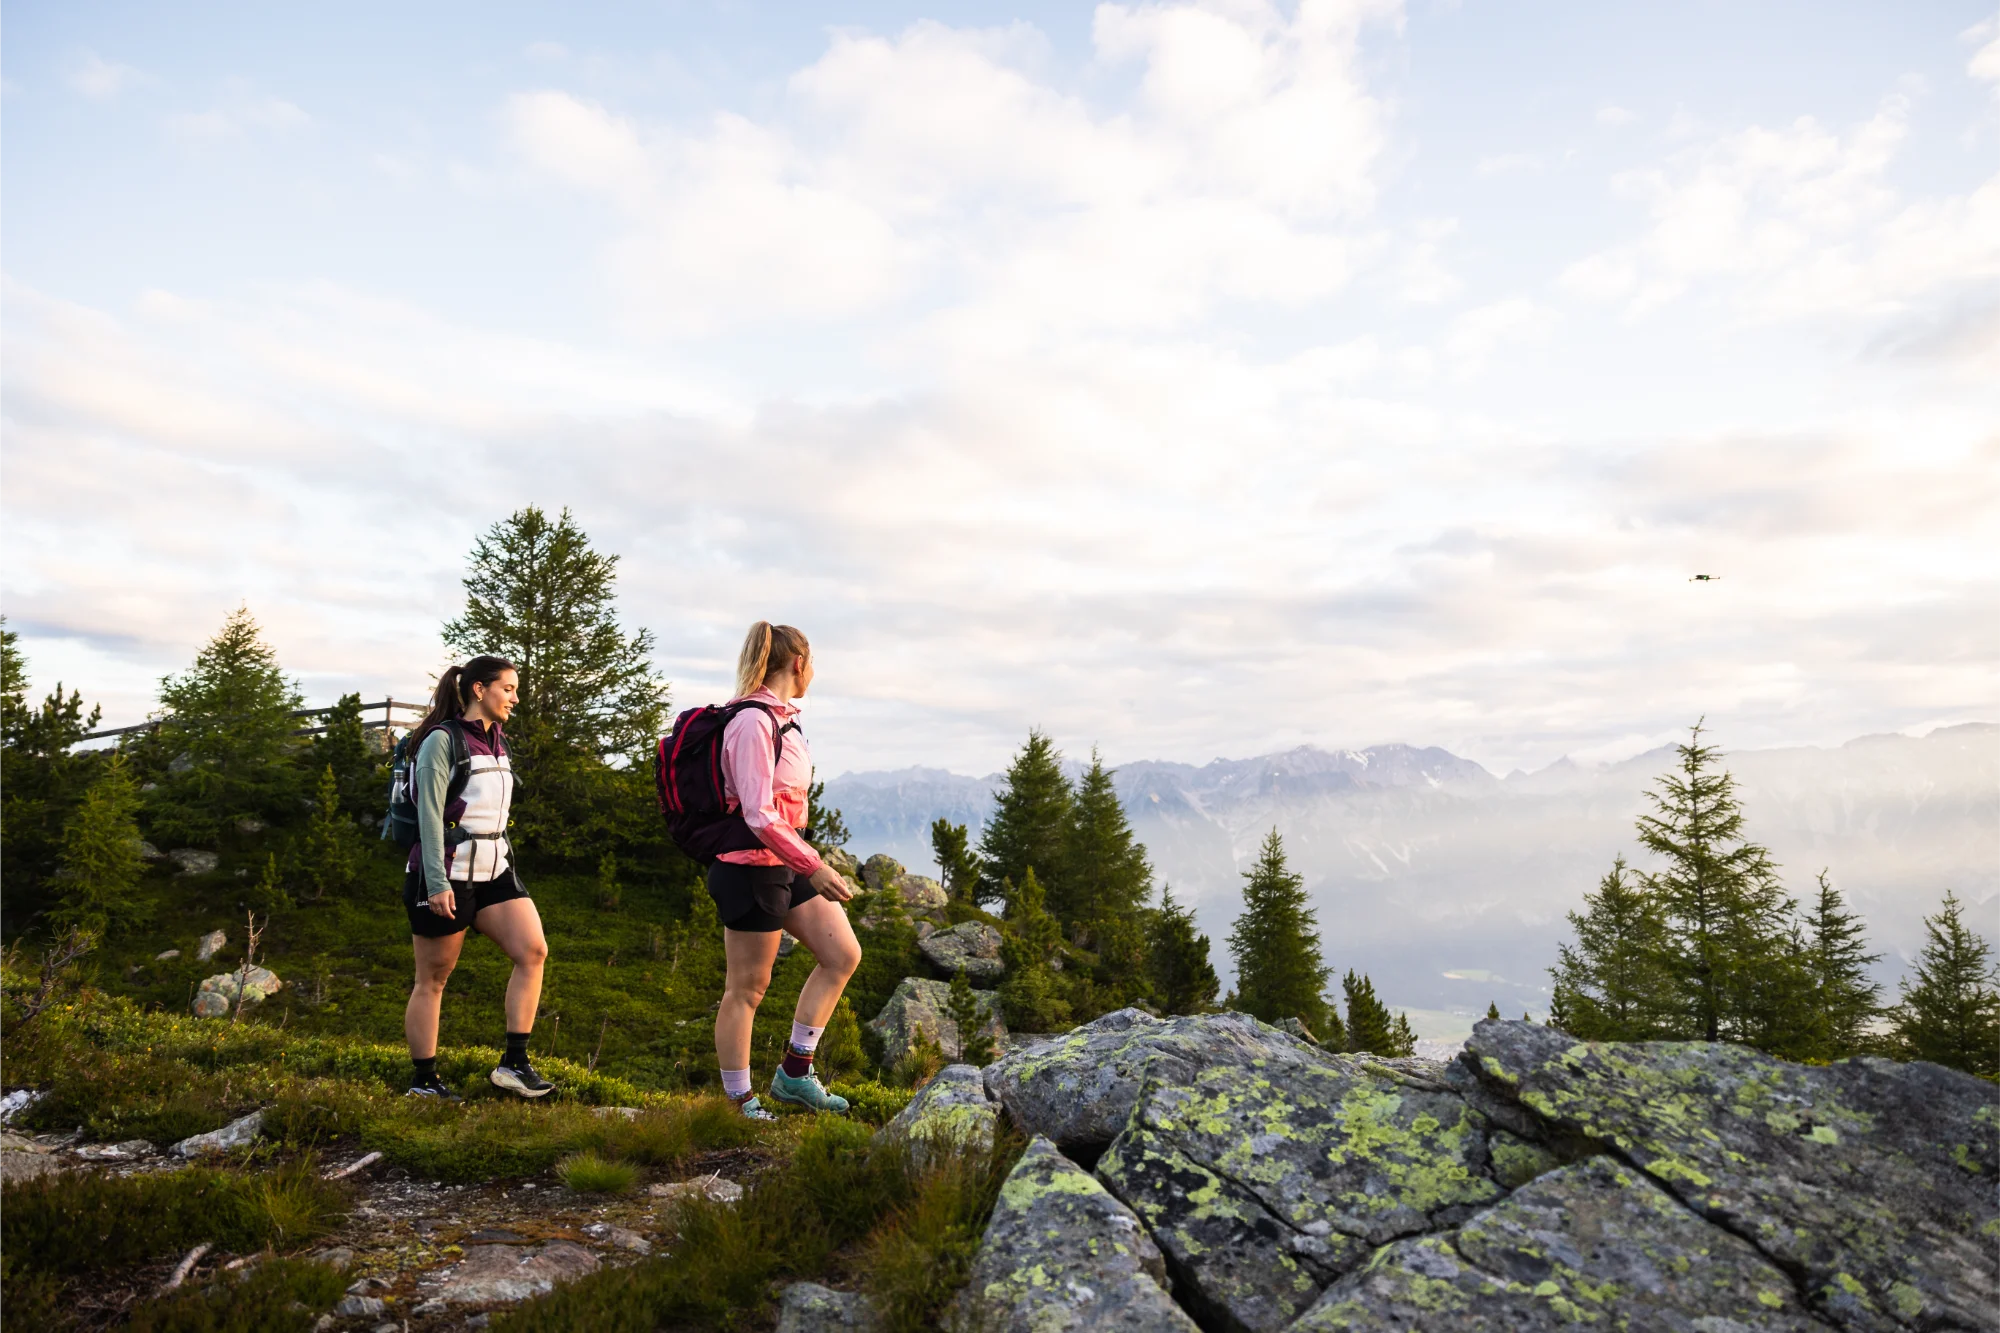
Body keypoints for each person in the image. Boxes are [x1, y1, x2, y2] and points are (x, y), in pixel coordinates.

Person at [710, 622, 862, 1119]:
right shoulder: (752, 721)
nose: (813, 671)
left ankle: (794, 1076)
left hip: (785, 859)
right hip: (750, 867)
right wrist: (813, 865)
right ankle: (738, 1101)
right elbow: (757, 813)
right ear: (799, 663)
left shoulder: (782, 719)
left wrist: (802, 860)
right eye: (812, 661)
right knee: (747, 988)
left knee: (842, 954)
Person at [401, 655, 553, 1100]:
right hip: (445, 873)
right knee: (433, 979)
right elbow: (429, 818)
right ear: (479, 690)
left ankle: (513, 1065)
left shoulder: (498, 740)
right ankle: (424, 1081)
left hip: (494, 869)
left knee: (533, 951)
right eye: (508, 688)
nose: (515, 698)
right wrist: (435, 883)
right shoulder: (441, 741)